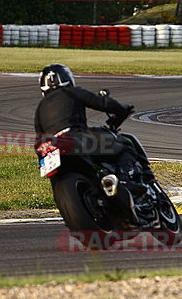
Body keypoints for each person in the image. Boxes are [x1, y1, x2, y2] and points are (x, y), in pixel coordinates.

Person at [34, 64, 145, 202]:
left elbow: (39, 138)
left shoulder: (40, 108)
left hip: (52, 146)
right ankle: (126, 181)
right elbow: (102, 103)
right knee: (124, 145)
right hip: (76, 136)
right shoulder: (73, 92)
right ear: (66, 78)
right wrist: (122, 109)